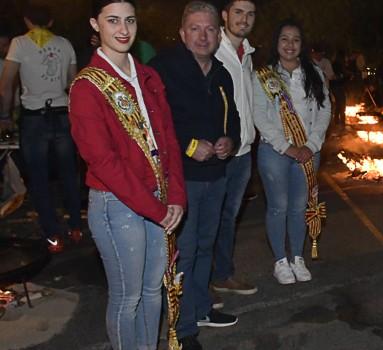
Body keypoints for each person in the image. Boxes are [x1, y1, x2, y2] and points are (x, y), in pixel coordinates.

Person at [67, 1, 187, 349]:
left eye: (130, 20)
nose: (123, 29)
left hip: (159, 199)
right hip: (117, 204)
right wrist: (158, 208)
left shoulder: (148, 76)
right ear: (95, 24)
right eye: (113, 20)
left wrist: (176, 195)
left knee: (153, 291)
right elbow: (104, 162)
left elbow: (168, 139)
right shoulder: (87, 87)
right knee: (128, 296)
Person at [150, 2, 241, 348]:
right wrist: (189, 146)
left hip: (216, 176)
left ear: (218, 33)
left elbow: (232, 120)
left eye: (210, 29)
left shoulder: (222, 73)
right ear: (182, 33)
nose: (203, 36)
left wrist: (229, 141)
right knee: (183, 253)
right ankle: (182, 328)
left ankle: (201, 307)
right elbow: (155, 125)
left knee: (206, 246)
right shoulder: (162, 69)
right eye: (195, 29)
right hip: (180, 178)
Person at [253, 19, 331, 285]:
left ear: (302, 44)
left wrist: (311, 145)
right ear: (276, 43)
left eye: (295, 39)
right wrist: (287, 147)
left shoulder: (314, 73)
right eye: (284, 39)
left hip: (308, 151)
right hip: (275, 151)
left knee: (300, 206)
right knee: (278, 206)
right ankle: (280, 261)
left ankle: (297, 257)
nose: (289, 45)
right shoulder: (263, 75)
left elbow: (324, 110)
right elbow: (260, 116)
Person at [0, 3, 83, 253]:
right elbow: (73, 83)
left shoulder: (19, 44)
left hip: (35, 118)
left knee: (39, 178)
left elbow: (6, 85)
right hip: (62, 115)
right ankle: (76, 227)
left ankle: (53, 235)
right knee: (69, 174)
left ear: (27, 20)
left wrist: (5, 115)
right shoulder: (65, 44)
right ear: (50, 22)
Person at [211, 0, 258, 297]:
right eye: (238, 12)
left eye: (250, 14)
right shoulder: (214, 49)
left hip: (243, 152)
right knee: (209, 219)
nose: (244, 19)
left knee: (228, 217)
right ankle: (202, 284)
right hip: (219, 152)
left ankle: (221, 275)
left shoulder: (248, 54)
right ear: (225, 15)